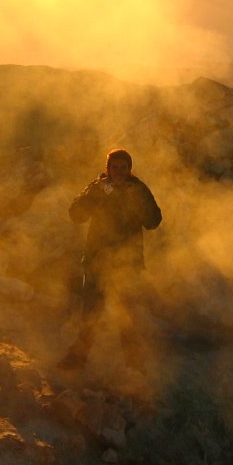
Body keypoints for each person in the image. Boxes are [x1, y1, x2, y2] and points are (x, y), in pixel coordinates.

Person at [58, 148, 162, 371]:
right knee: (90, 313)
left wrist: (138, 202)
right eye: (114, 167)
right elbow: (76, 215)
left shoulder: (139, 189)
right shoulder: (97, 187)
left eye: (123, 168)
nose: (118, 172)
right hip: (97, 261)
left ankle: (134, 365)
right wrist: (95, 195)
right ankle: (77, 360)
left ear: (130, 169)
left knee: (128, 315)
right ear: (107, 169)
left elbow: (153, 221)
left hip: (127, 264)